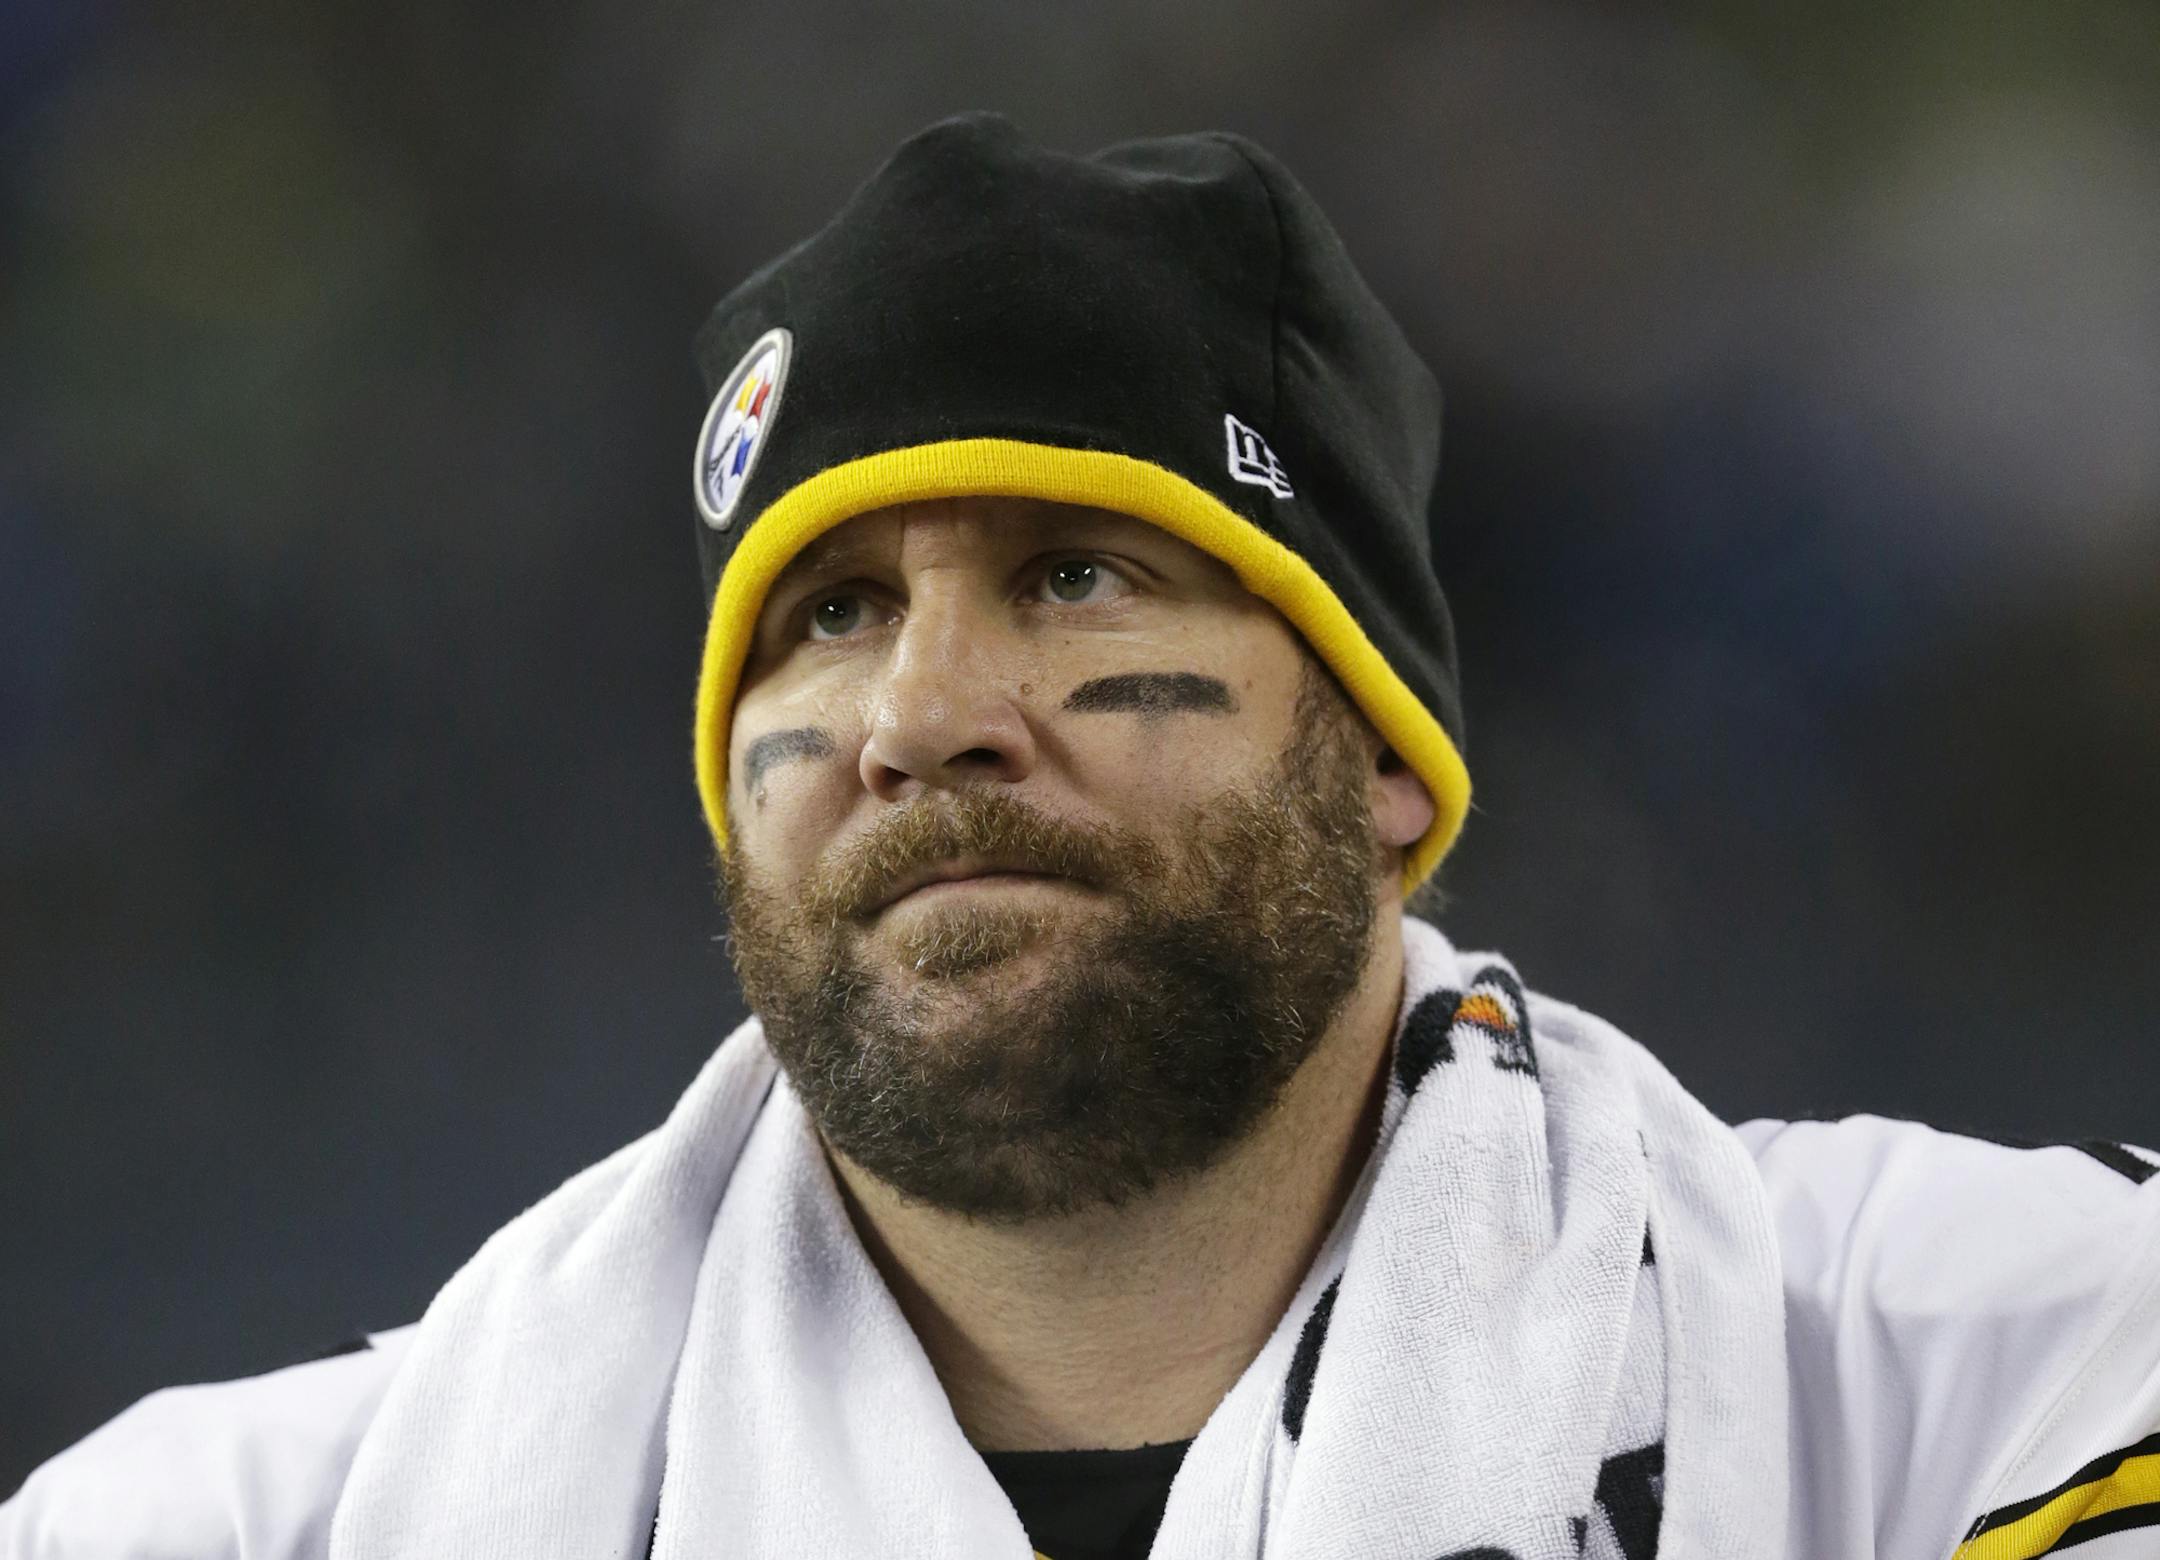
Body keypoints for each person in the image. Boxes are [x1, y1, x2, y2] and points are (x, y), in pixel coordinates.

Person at [6, 112, 2157, 1560]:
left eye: (1078, 577)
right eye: (829, 615)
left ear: (1388, 759)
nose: (919, 721)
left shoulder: (1961, 1372)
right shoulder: (247, 1524)